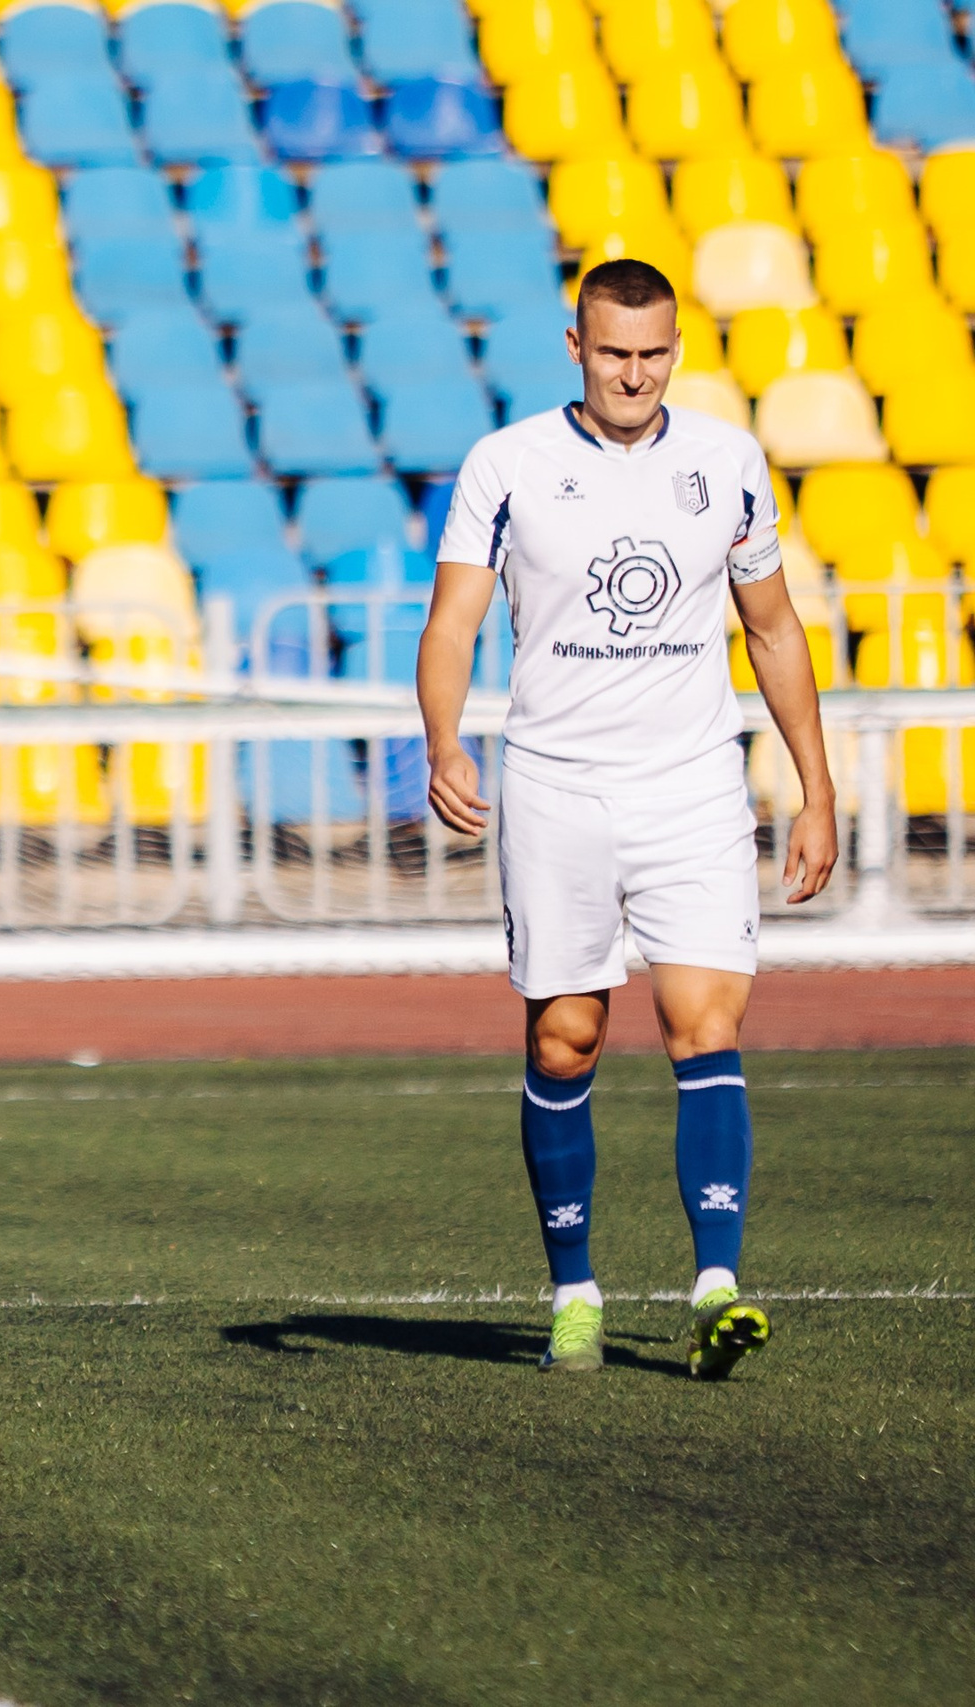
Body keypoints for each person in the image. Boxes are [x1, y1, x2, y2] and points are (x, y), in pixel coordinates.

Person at [419, 259, 838, 1379]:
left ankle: (715, 1288)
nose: (634, 374)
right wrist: (445, 738)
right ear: (575, 346)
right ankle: (573, 1293)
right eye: (613, 353)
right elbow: (455, 620)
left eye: (653, 355)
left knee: (705, 1021)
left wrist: (816, 785)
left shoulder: (726, 462)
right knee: (567, 1034)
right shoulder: (507, 465)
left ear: (675, 352)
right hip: (555, 786)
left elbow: (774, 629)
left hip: (693, 784)